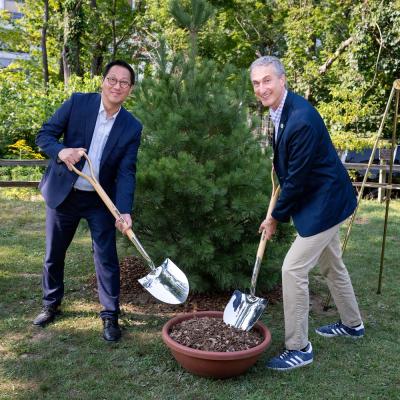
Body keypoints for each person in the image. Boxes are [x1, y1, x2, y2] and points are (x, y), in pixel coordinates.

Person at [251, 56, 364, 371]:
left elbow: (297, 181)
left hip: (325, 203)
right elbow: (292, 168)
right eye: (256, 83)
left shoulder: (301, 118)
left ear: (283, 80)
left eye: (267, 80)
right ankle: (353, 324)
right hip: (324, 196)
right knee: (331, 264)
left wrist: (274, 218)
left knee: (292, 269)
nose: (262, 88)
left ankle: (299, 348)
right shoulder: (283, 111)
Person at [33, 60, 142, 342]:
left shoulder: (131, 126)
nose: (116, 86)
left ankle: (109, 315)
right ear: (102, 81)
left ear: (130, 89)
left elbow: (126, 172)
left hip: (99, 200)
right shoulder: (78, 103)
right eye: (112, 79)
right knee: (54, 253)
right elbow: (44, 134)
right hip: (65, 193)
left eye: (124, 82)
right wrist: (61, 151)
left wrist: (125, 210)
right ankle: (51, 304)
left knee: (106, 258)